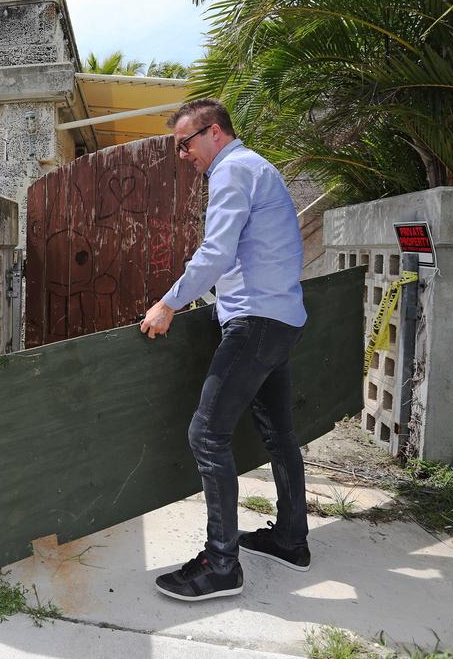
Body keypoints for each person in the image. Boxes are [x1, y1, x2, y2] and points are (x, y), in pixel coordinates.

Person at [140, 98, 310, 601]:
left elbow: (216, 252)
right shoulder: (260, 168)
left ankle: (221, 565)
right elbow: (252, 253)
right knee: (279, 434)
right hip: (281, 319)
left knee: (207, 436)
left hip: (255, 323)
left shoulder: (232, 171)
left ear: (213, 133)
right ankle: (291, 540)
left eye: (185, 144)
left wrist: (168, 304)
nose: (182, 155)